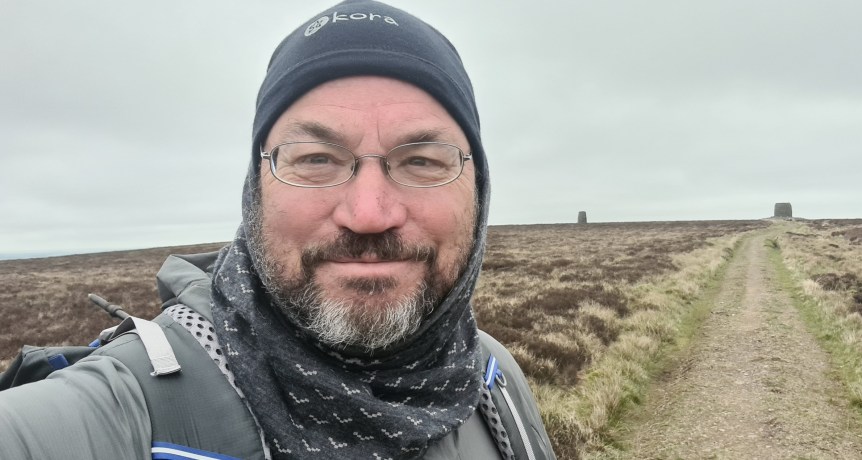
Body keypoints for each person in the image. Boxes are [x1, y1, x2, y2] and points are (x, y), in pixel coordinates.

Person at [0, 1, 555, 458]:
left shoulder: (491, 377)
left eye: (423, 161)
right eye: (315, 158)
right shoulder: (120, 412)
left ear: (478, 191)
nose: (367, 214)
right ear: (255, 188)